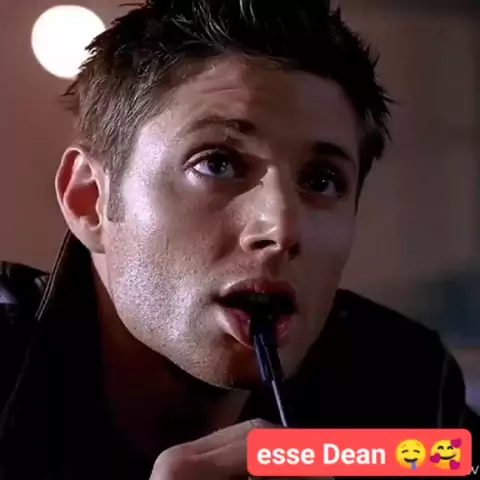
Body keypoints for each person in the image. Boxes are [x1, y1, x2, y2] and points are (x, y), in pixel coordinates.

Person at [0, 0, 478, 478]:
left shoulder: (408, 391)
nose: (281, 229)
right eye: (217, 163)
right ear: (89, 199)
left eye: (322, 180)